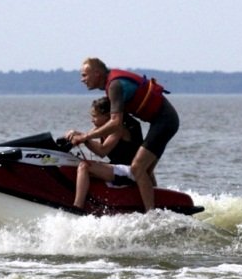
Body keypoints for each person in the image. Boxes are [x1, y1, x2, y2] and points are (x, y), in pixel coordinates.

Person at [71, 57, 179, 212]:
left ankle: (151, 214)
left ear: (97, 73)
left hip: (164, 121)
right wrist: (85, 136)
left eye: (84, 75)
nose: (82, 80)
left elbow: (115, 123)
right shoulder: (111, 86)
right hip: (161, 121)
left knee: (138, 167)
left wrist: (85, 137)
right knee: (145, 170)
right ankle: (158, 204)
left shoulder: (114, 86)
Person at [64, 97, 143, 209]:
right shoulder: (100, 128)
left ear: (107, 116)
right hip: (117, 168)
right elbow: (84, 136)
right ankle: (87, 202)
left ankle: (78, 206)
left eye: (95, 116)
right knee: (75, 165)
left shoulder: (119, 129)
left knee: (84, 166)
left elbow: (102, 150)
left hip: (130, 171)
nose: (92, 120)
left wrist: (84, 139)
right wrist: (72, 134)